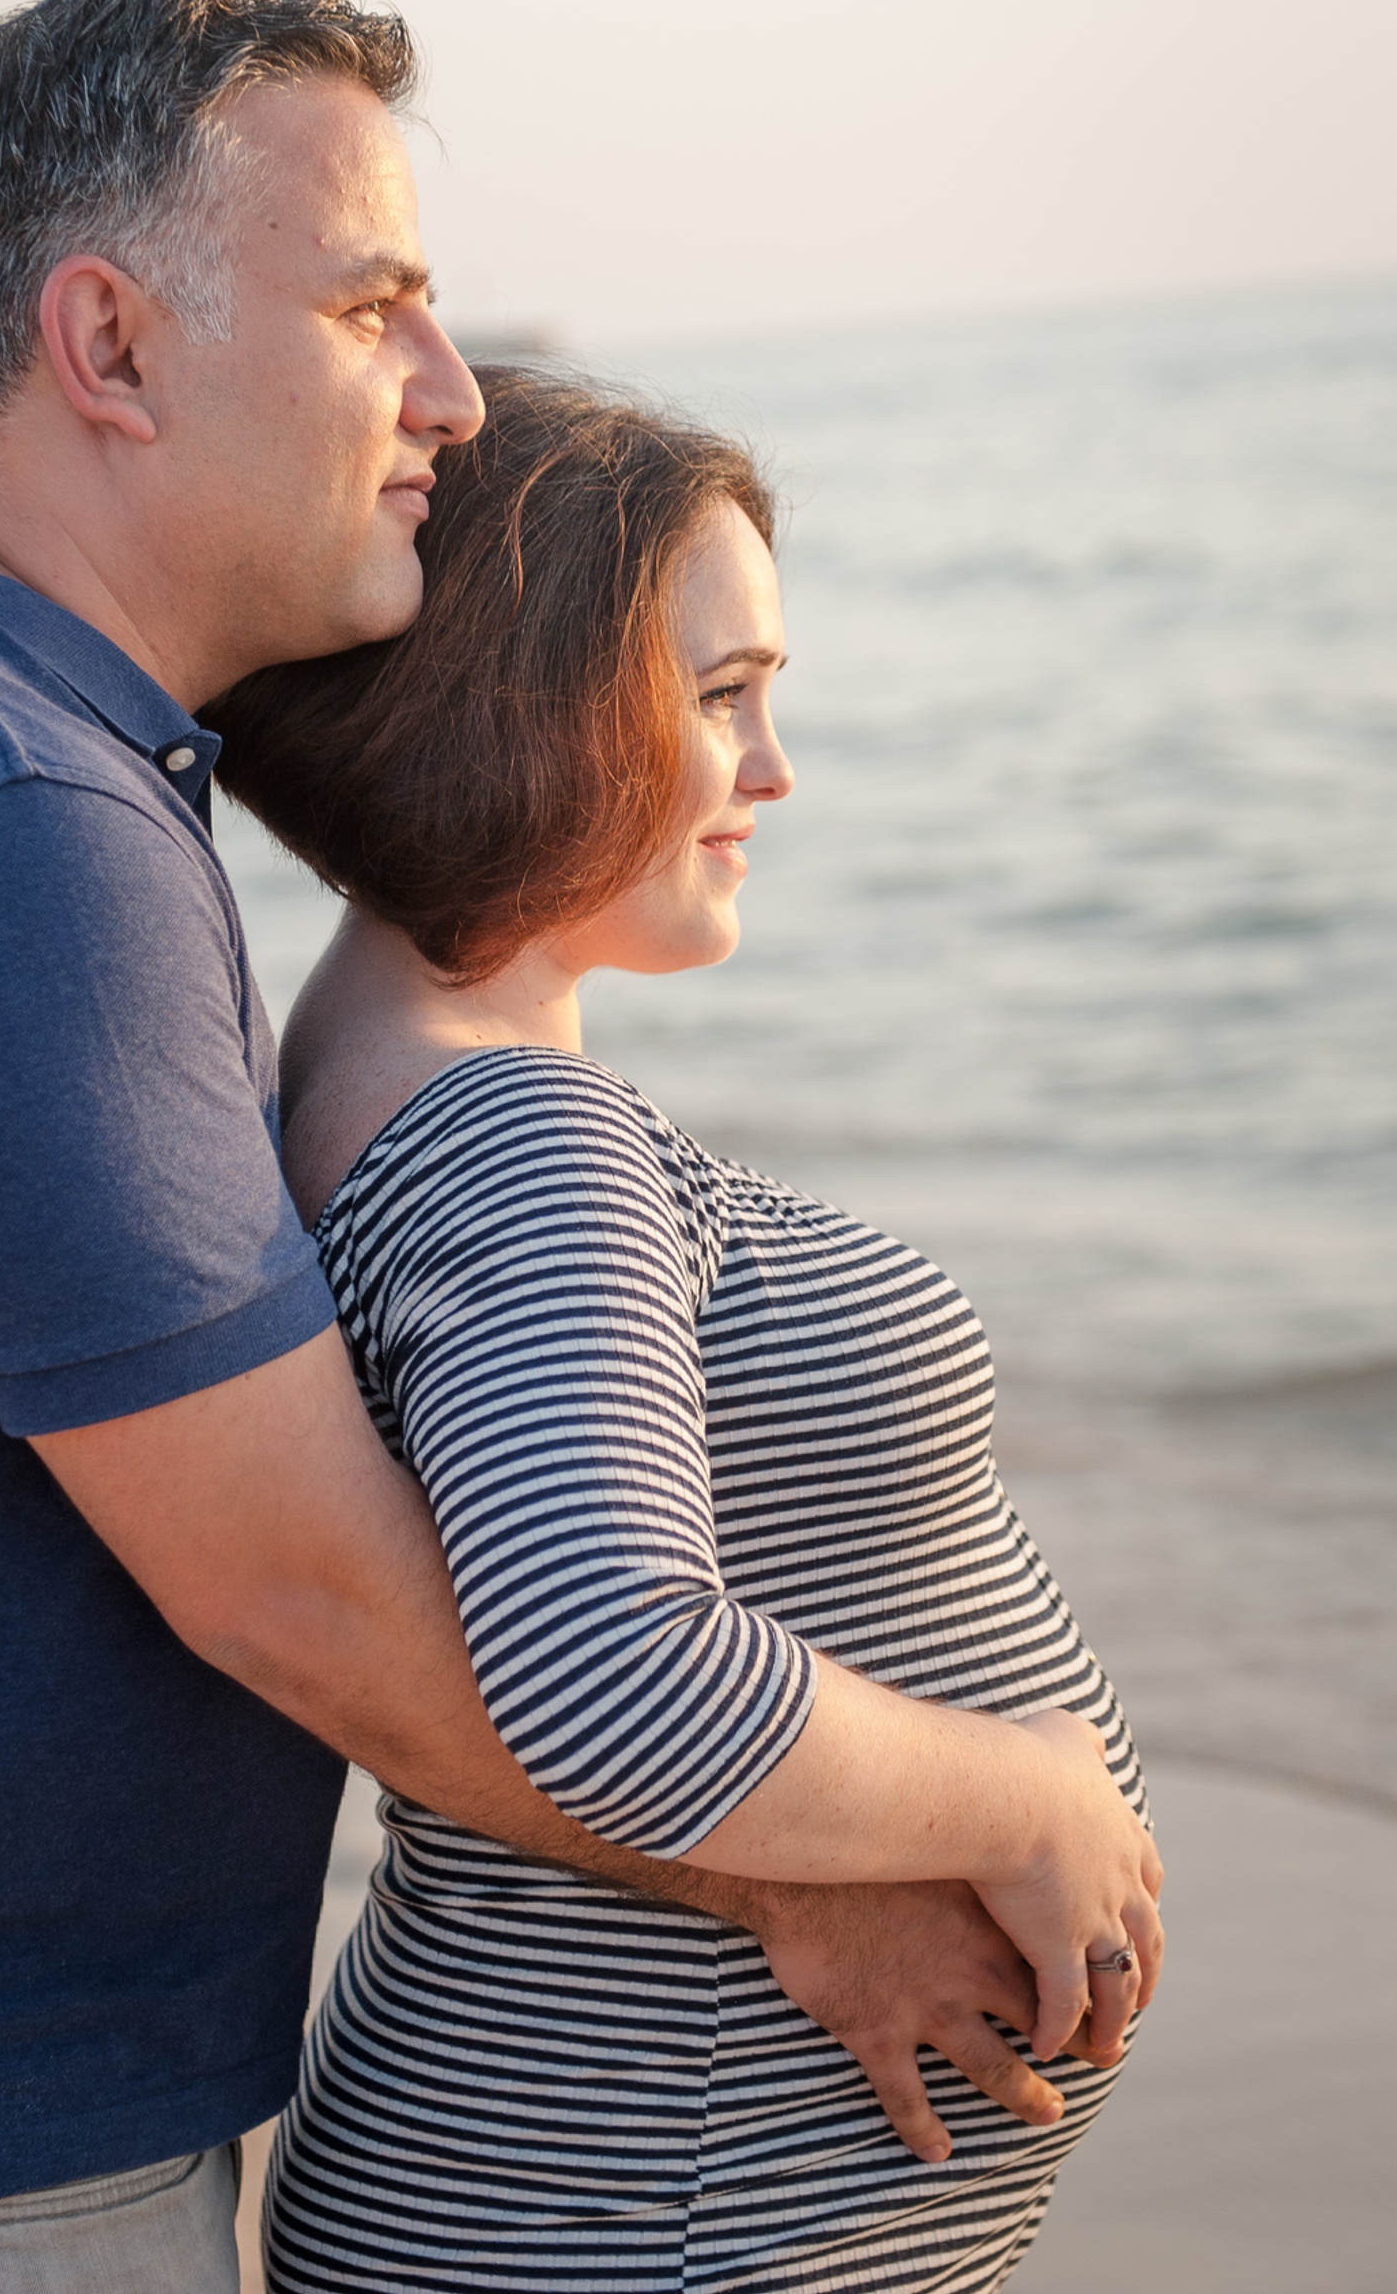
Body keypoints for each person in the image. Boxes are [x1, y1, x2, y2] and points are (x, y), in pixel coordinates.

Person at [0, 0, 1154, 2294]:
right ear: (110, 343)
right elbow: (306, 1594)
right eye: (375, 308)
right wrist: (825, 1870)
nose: (445, 391)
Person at [204, 366, 1154, 2293]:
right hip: (639, 2208)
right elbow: (612, 1668)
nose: (775, 769)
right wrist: (1027, 1794)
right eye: (721, 697)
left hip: (628, 2187)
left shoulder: (406, 1079)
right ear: (523, 704)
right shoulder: (514, 1141)